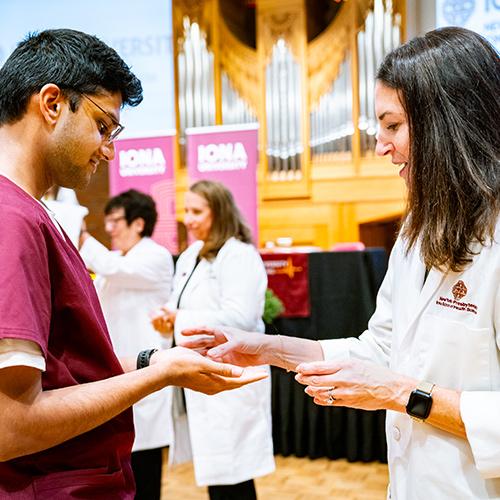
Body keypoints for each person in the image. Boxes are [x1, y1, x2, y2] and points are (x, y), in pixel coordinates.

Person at [181, 27, 500, 499]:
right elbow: (381, 350)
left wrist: (398, 393)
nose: (380, 147)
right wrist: (268, 348)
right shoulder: (417, 231)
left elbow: (393, 380)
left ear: (446, 122)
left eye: (393, 126)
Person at [0, 29, 266, 499]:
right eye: (103, 126)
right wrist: (157, 374)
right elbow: (10, 425)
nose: (109, 148)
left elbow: (63, 371)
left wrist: (153, 359)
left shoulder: (29, 213)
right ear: (52, 103)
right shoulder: (12, 219)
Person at [151, 180, 275, 499]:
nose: (188, 219)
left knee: (234, 477)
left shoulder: (239, 255)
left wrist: (180, 319)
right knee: (218, 474)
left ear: (218, 212)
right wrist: (168, 319)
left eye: (196, 211)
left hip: (232, 374)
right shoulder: (191, 254)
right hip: (205, 373)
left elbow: (240, 318)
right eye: (186, 211)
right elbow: (180, 305)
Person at [80, 189, 175, 500]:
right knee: (120, 467)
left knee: (143, 469)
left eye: (115, 221)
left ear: (138, 223)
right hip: (116, 371)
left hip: (144, 371)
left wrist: (80, 234)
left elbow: (113, 268)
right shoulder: (118, 260)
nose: (109, 228)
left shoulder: (154, 256)